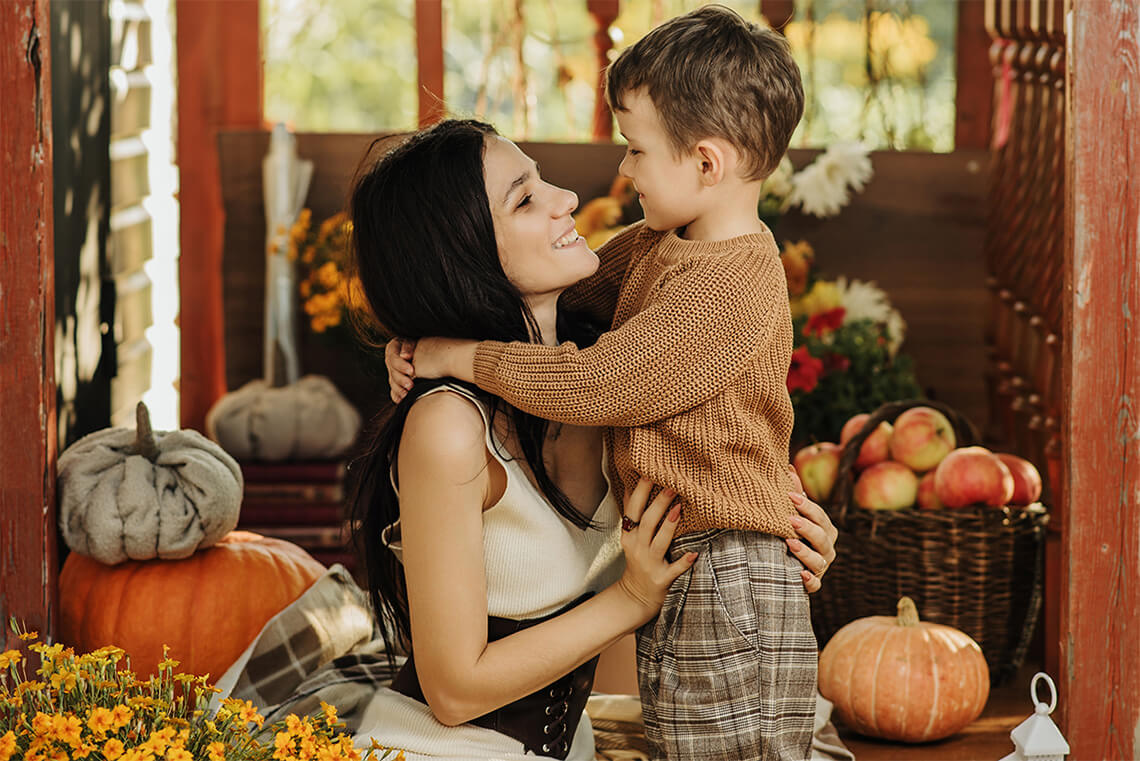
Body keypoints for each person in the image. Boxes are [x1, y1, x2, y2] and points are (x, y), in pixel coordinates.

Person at [383, 6, 829, 761]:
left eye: (634, 149)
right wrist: (429, 345)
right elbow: (585, 325)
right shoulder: (659, 254)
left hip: (719, 574)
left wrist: (768, 531)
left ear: (707, 163)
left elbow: (598, 385)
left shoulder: (713, 295)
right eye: (525, 198)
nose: (585, 189)